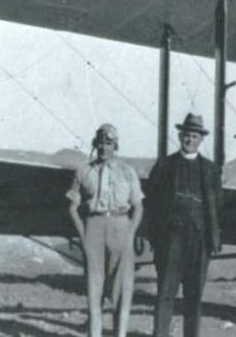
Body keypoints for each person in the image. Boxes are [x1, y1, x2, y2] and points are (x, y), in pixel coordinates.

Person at [146, 112, 223, 337]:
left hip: (199, 242)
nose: (190, 140)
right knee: (165, 294)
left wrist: (212, 238)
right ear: (180, 136)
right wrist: (156, 237)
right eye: (187, 135)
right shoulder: (165, 165)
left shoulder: (210, 170)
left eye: (195, 136)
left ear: (201, 139)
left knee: (194, 296)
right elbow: (151, 200)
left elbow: (217, 204)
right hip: (171, 240)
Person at [67, 123, 144, 337]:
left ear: (115, 145)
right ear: (95, 143)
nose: (104, 147)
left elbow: (138, 207)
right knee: (94, 289)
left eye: (108, 143)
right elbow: (72, 207)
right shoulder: (84, 171)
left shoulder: (127, 172)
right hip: (94, 226)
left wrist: (131, 234)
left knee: (122, 289)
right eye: (100, 142)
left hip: (121, 226)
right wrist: (83, 235)